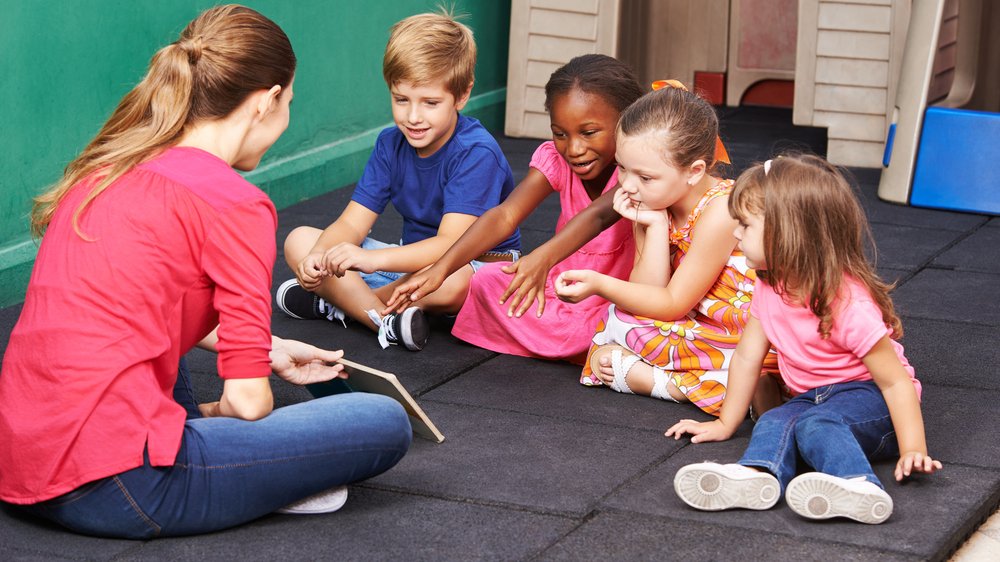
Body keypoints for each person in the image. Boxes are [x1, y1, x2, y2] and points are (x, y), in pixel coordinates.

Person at [0, 5, 411, 539]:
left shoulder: (109, 169)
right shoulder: (236, 204)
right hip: (120, 489)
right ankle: (252, 478)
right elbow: (248, 402)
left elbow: (142, 307)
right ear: (265, 102)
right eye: (289, 103)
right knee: (380, 422)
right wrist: (244, 411)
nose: (286, 118)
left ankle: (212, 449)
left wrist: (268, 348)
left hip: (21, 465)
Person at [665, 154, 941, 524]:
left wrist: (913, 449)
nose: (735, 233)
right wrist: (725, 424)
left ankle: (860, 486)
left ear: (787, 233)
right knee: (774, 421)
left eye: (745, 225)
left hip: (871, 400)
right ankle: (760, 477)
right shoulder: (769, 284)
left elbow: (894, 382)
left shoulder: (847, 304)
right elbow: (747, 357)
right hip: (812, 398)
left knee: (816, 426)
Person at [276, 11, 519, 352]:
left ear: (462, 95)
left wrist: (370, 262)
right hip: (406, 264)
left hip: (472, 266)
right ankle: (383, 319)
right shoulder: (391, 143)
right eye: (401, 99)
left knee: (452, 280)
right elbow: (351, 223)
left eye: (430, 103)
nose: (413, 117)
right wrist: (318, 259)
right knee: (299, 239)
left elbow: (451, 245)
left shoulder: (476, 152)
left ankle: (345, 306)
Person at [383, 54, 642, 363]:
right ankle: (580, 344)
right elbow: (505, 215)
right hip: (563, 291)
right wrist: (441, 268)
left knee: (632, 321)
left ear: (626, 121)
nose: (573, 148)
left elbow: (600, 215)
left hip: (617, 296)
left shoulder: (638, 171)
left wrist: (541, 258)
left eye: (588, 133)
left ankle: (585, 340)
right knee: (487, 280)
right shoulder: (556, 159)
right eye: (560, 133)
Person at [554, 83, 779, 416]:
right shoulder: (649, 200)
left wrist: (599, 284)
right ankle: (709, 385)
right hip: (692, 322)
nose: (628, 185)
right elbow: (649, 293)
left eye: (645, 177)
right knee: (619, 321)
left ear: (694, 172)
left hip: (743, 332)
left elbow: (672, 305)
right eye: (622, 168)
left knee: (612, 334)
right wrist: (655, 227)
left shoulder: (720, 210)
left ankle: (675, 385)